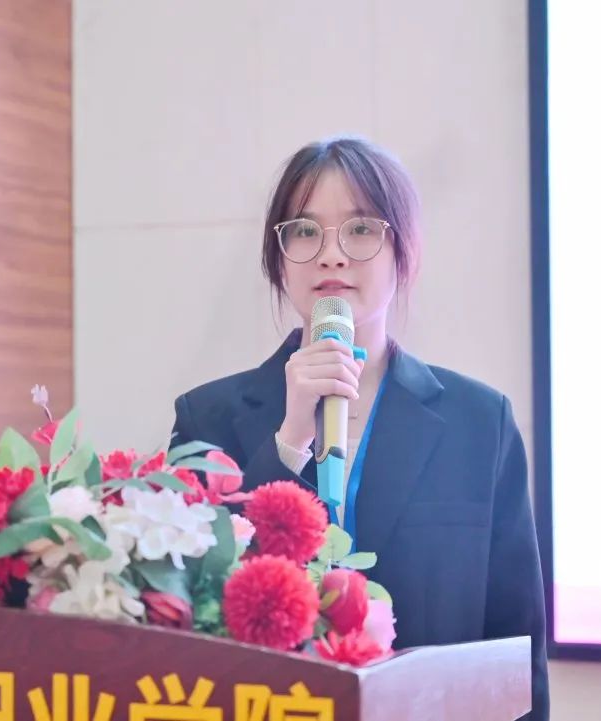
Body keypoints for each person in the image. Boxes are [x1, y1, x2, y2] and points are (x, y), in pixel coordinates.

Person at [170, 137, 548, 719]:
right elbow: (187, 612)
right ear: (277, 257)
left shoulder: (479, 423)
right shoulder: (207, 416)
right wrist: (289, 442)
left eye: (362, 228)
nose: (331, 255)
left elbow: (516, 653)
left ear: (404, 251)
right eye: (304, 230)